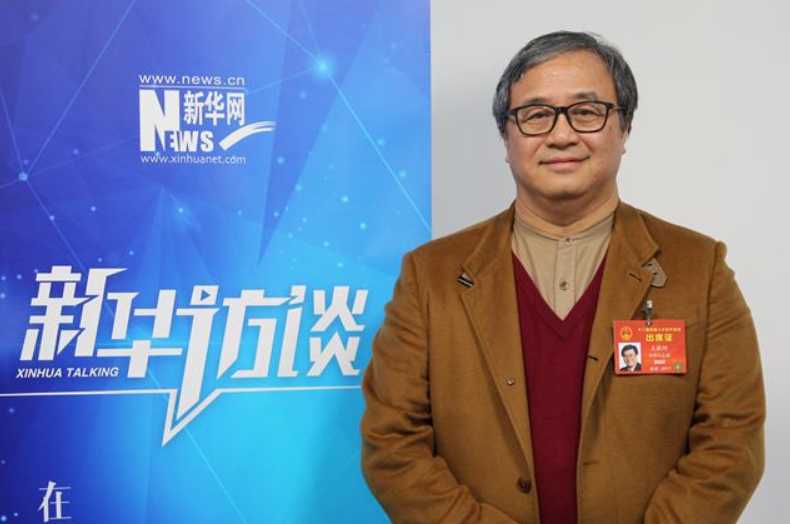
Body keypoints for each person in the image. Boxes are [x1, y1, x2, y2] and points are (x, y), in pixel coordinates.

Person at [360, 31, 764, 524]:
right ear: (506, 138)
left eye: (586, 112)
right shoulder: (430, 277)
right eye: (535, 115)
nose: (562, 135)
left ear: (624, 129)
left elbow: (731, 442)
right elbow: (392, 443)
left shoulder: (699, 270)